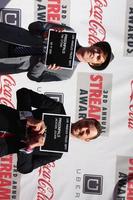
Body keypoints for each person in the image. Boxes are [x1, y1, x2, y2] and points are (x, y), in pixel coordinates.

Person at [0, 88, 102, 174]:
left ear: (86, 139)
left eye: (87, 132)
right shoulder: (57, 109)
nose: (83, 128)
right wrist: (29, 117)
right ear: (83, 119)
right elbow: (23, 93)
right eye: (86, 124)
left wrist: (30, 147)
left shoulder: (56, 153)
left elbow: (24, 168)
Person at [0, 21, 113, 82]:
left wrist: (43, 63)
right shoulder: (69, 32)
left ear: (93, 64)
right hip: (7, 36)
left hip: (7, 63)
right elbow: (33, 26)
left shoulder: (66, 74)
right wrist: (44, 32)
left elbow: (33, 77)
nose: (96, 54)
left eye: (98, 58)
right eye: (98, 50)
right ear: (94, 45)